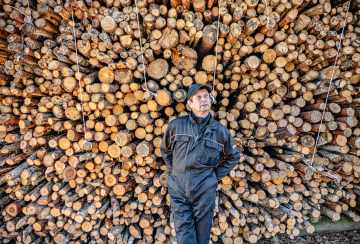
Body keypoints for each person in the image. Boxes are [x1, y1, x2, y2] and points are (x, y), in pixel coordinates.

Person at [160, 84, 241, 244]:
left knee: (202, 234)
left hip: (204, 189)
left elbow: (233, 156)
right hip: (178, 188)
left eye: (206, 96)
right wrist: (177, 171)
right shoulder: (176, 126)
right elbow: (165, 150)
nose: (204, 99)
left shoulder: (220, 131)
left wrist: (212, 177)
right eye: (198, 97)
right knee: (184, 235)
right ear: (190, 103)